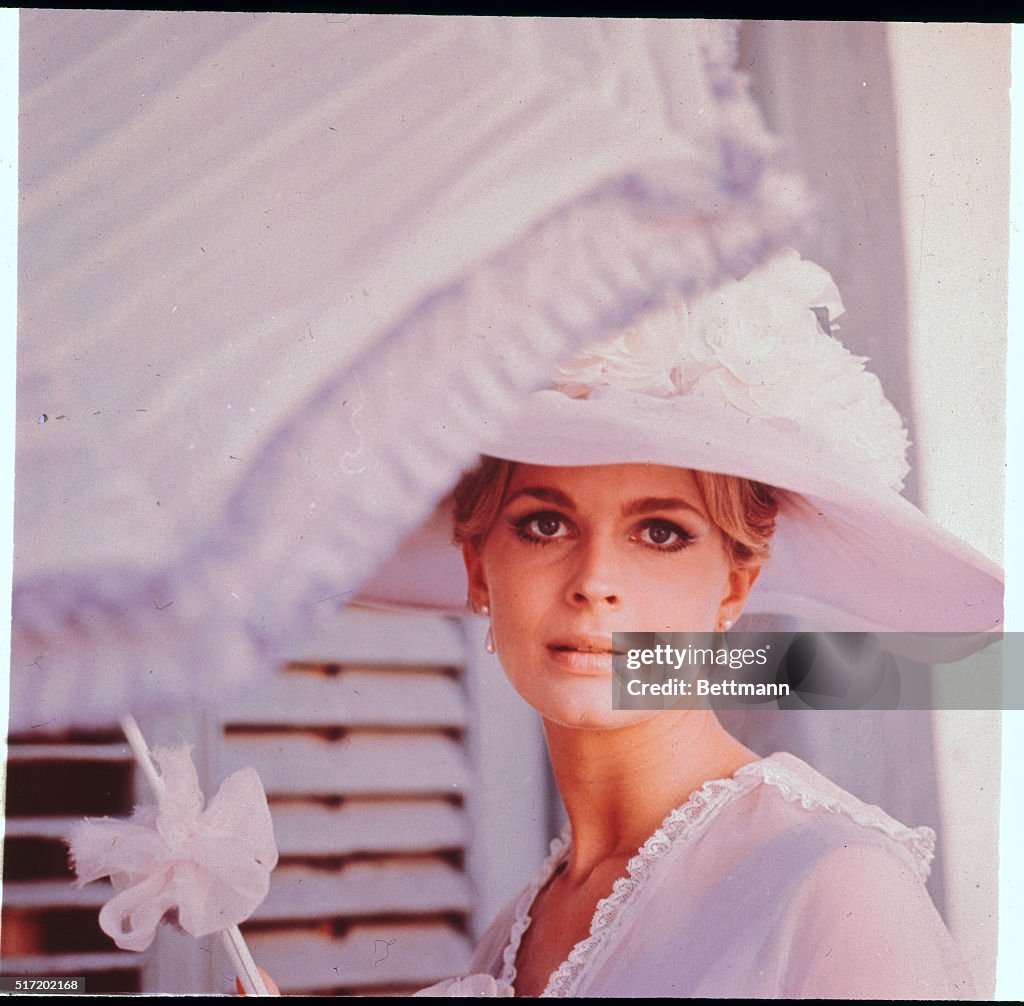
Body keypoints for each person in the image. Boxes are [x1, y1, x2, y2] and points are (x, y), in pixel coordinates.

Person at [379, 250, 1001, 998]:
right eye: (544, 524)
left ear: (735, 587)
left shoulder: (834, 886)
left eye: (661, 534)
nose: (594, 584)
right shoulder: (511, 938)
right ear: (480, 569)